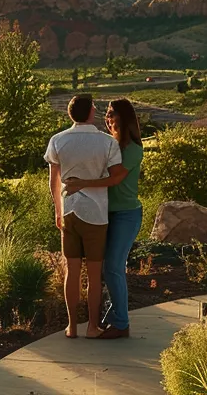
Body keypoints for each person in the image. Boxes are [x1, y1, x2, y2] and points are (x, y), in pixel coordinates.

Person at [46, 94, 127, 339]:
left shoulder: (58, 140)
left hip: (69, 210)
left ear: (71, 114)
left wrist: (58, 211)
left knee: (72, 271)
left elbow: (54, 181)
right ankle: (92, 326)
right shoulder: (107, 143)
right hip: (96, 214)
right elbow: (115, 177)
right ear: (91, 112)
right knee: (94, 274)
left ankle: (72, 326)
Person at [65, 98, 143, 339]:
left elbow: (114, 179)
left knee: (113, 268)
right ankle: (105, 318)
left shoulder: (132, 149)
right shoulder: (108, 145)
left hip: (126, 215)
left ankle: (121, 323)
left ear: (124, 117)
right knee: (100, 268)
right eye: (106, 113)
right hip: (102, 213)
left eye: (112, 113)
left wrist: (83, 184)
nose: (107, 118)